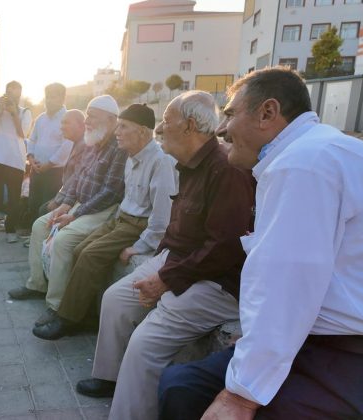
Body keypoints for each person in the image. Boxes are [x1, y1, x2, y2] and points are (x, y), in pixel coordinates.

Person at [158, 68, 363, 420]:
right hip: (311, 339)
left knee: (200, 395)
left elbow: (287, 286)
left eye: (229, 114)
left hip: (343, 354)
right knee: (181, 384)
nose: (221, 129)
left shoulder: (302, 164)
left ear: (268, 113)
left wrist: (241, 396)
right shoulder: (314, 151)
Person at [72, 91, 254, 420]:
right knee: (115, 298)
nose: (159, 130)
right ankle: (111, 378)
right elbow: (177, 228)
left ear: (190, 126)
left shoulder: (225, 170)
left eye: (167, 122)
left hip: (215, 280)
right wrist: (160, 265)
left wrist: (166, 279)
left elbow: (223, 248)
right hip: (179, 260)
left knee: (145, 344)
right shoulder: (187, 165)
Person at [33, 103, 177, 340]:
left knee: (90, 255)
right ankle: (86, 315)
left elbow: (161, 217)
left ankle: (67, 319)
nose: (117, 132)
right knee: (80, 249)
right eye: (117, 126)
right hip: (121, 218)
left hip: (136, 225)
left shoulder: (160, 161)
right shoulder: (132, 156)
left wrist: (139, 247)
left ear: (142, 131)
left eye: (123, 126)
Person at [8, 95, 127, 314]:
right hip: (79, 205)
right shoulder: (92, 143)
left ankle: (56, 305)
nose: (87, 121)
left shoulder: (119, 148)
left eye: (92, 116)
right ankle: (37, 285)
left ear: (111, 120)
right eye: (87, 115)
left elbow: (110, 192)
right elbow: (76, 180)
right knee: (39, 226)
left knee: (62, 241)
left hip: (101, 211)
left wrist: (74, 214)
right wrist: (65, 205)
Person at [0, 81, 32, 246]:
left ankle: (11, 230)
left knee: (13, 199)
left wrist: (13, 113)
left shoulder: (25, 112)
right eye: (10, 95)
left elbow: (22, 133)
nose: (13, 98)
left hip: (16, 160)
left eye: (16, 95)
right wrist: (0, 110)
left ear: (20, 95)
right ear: (5, 94)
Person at [26, 83, 71, 226]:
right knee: (34, 202)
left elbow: (67, 146)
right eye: (47, 97)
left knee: (48, 205)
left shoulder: (67, 118)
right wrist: (31, 158)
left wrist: (49, 164)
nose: (49, 100)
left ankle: (45, 238)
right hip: (37, 169)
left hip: (55, 172)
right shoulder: (40, 118)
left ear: (63, 98)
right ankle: (33, 235)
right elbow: (32, 139)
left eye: (53, 97)